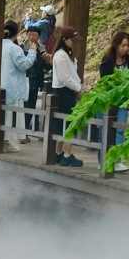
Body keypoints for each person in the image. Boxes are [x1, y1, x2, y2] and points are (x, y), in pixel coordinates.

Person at [50, 27, 85, 167]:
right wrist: (79, 88)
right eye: (72, 40)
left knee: (65, 123)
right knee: (68, 124)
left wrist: (79, 86)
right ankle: (66, 154)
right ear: (65, 40)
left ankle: (60, 153)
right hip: (62, 92)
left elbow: (72, 75)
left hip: (68, 91)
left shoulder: (68, 55)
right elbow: (64, 78)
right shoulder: (60, 55)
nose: (74, 43)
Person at [0, 22, 39, 128]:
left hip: (0, 86)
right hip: (12, 89)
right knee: (12, 120)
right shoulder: (14, 48)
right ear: (16, 34)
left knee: (3, 118)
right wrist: (32, 50)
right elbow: (24, 64)